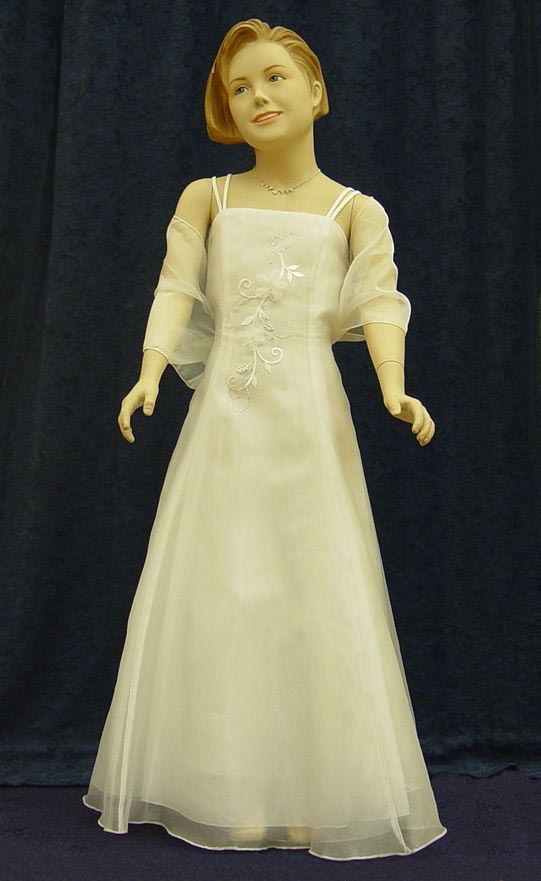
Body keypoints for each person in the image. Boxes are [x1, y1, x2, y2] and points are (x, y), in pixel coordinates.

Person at [82, 17, 446, 861]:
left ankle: (320, 791)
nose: (257, 96)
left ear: (315, 90)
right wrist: (150, 368)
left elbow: (378, 298)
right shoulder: (205, 198)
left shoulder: (355, 210)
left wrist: (392, 384)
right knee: (224, 593)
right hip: (224, 427)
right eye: (239, 87)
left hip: (310, 428)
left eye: (275, 77)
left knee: (314, 593)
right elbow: (176, 286)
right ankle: (229, 790)